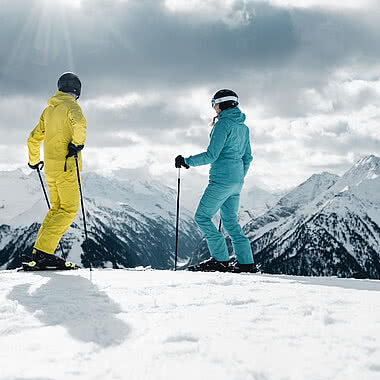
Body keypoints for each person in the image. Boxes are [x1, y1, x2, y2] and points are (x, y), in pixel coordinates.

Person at [175, 89, 258, 273]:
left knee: (202, 217)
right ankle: (246, 263)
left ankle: (220, 261)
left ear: (221, 104)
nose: (214, 109)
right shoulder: (243, 128)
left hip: (221, 180)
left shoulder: (222, 125)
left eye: (214, 104)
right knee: (230, 223)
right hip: (236, 182)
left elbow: (212, 155)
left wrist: (186, 161)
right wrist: (238, 177)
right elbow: (248, 157)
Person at [25, 72, 86, 270]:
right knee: (68, 210)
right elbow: (80, 124)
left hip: (50, 169)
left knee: (57, 209)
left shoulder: (48, 111)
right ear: (77, 91)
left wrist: (34, 161)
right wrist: (77, 144)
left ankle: (40, 251)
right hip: (67, 167)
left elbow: (33, 138)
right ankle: (44, 253)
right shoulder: (72, 107)